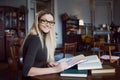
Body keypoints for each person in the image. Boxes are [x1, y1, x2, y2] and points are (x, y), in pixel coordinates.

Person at [21, 10, 68, 78]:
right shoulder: (35, 38)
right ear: (38, 22)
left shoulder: (45, 38)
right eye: (44, 21)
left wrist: (49, 62)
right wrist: (55, 69)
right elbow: (26, 71)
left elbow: (39, 59)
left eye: (51, 22)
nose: (48, 24)